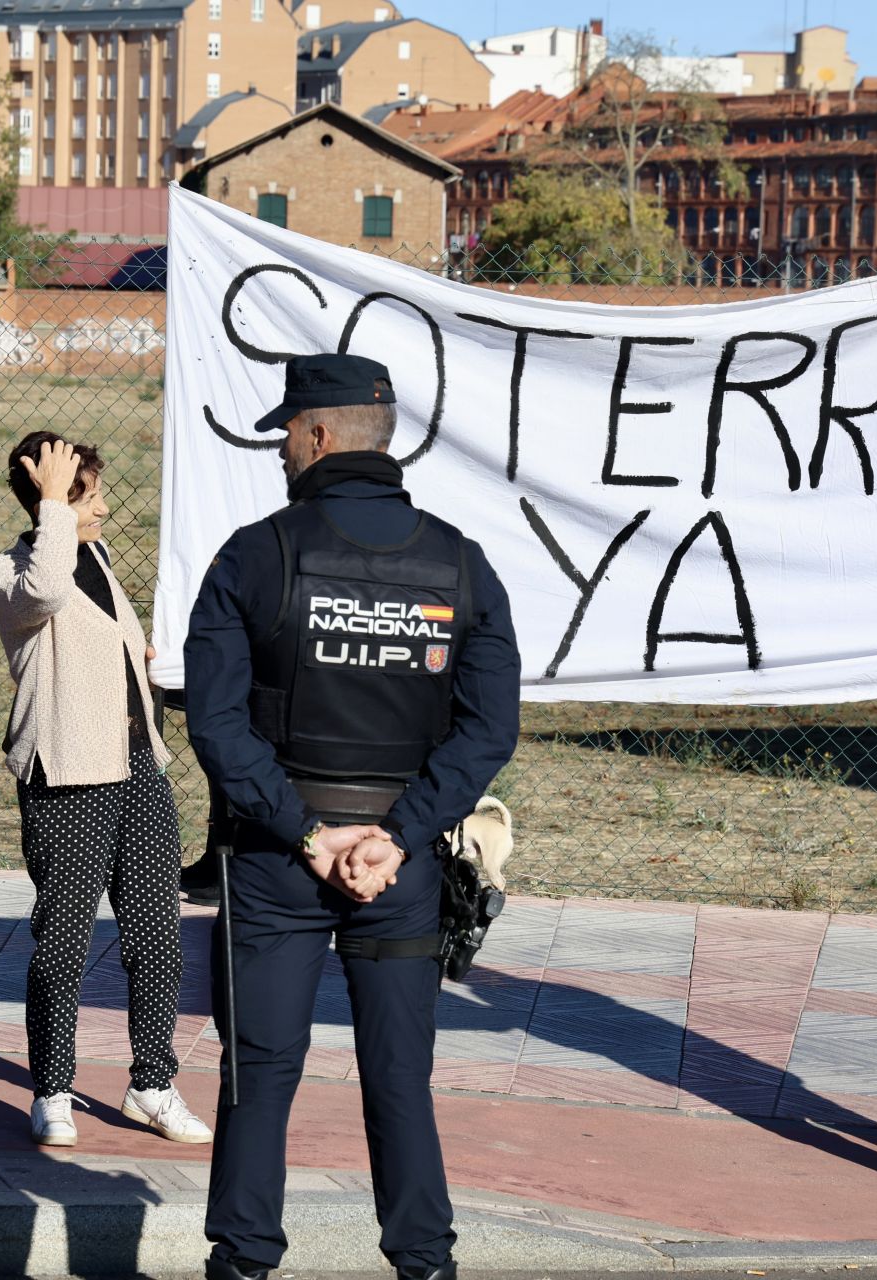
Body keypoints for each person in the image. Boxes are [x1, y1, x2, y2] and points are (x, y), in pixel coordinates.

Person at [185, 354, 520, 1280]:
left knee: (258, 1078)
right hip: (398, 869)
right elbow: (491, 727)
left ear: (321, 436)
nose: (280, 450)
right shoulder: (459, 562)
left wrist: (302, 830)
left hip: (275, 861)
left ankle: (243, 1265)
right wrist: (400, 835)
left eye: (287, 432)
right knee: (401, 1086)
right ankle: (426, 1265)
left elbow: (213, 721)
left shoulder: (256, 554)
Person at [0, 433, 212, 1148]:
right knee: (64, 942)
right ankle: (51, 1088)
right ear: (51, 500)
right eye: (90, 497)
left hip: (136, 765)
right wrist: (54, 499)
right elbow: (48, 593)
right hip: (68, 770)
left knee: (157, 935)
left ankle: (153, 1081)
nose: (105, 508)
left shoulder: (98, 557)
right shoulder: (9, 573)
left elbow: (97, 632)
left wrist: (137, 658)